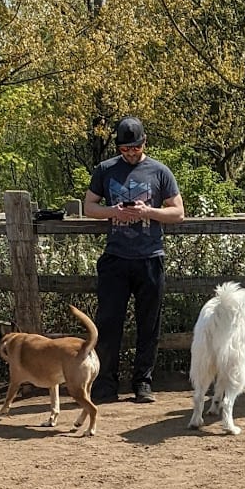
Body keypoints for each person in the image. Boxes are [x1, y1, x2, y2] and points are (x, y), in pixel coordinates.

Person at [83, 117, 183, 403]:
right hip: (115, 257)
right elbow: (89, 206)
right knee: (109, 322)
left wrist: (148, 212)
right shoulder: (105, 170)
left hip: (150, 257)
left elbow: (177, 213)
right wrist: (113, 211)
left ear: (144, 143)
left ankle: (143, 383)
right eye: (125, 149)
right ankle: (104, 384)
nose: (130, 153)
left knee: (148, 323)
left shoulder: (160, 171)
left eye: (135, 148)